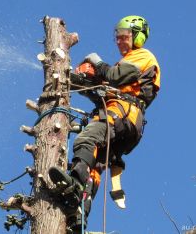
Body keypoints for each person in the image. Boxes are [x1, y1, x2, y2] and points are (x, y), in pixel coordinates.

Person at [49, 15, 161, 232]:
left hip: (123, 115)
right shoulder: (130, 63)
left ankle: (75, 186)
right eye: (117, 38)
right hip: (125, 121)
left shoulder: (142, 56)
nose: (119, 42)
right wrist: (80, 81)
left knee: (87, 138)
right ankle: (78, 215)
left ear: (137, 37)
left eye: (124, 37)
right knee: (94, 165)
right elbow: (106, 88)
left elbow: (114, 76)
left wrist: (97, 62)